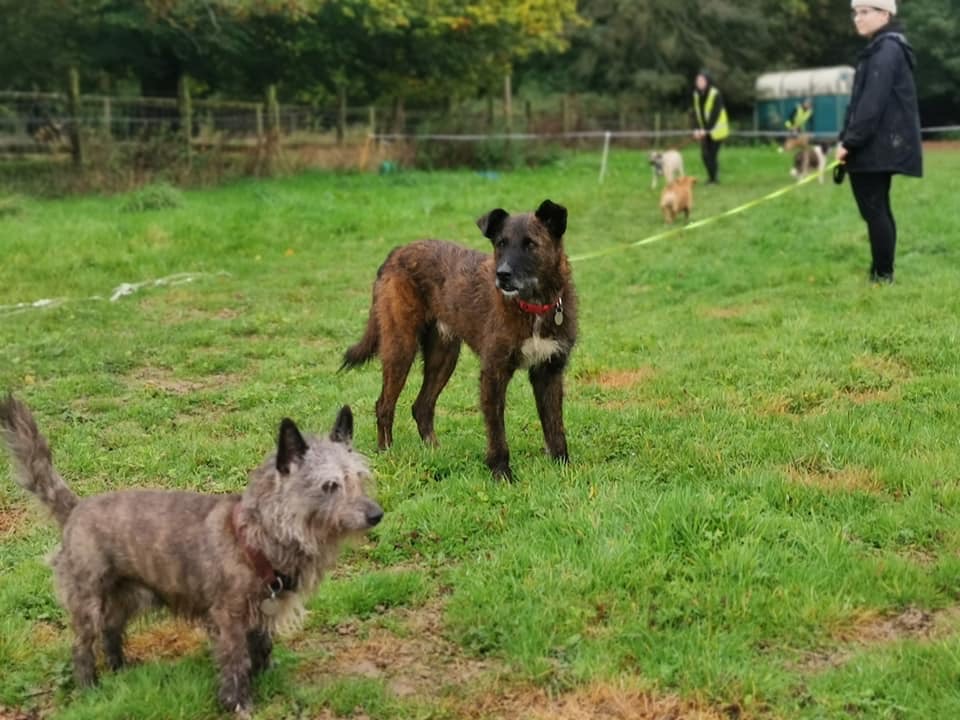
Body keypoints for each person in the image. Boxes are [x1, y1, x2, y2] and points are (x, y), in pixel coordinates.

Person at [837, 0, 922, 284]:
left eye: (864, 12)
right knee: (877, 209)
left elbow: (871, 105)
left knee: (875, 209)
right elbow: (861, 103)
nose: (857, 19)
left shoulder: (886, 50)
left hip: (876, 146)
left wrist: (849, 142)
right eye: (855, 13)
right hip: (877, 143)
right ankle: (880, 270)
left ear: (885, 14)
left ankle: (883, 274)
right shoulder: (881, 48)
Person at [692, 71, 729, 184]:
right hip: (705, 131)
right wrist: (696, 129)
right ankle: (711, 178)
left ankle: (714, 179)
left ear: (707, 81)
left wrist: (706, 130)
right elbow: (696, 113)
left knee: (712, 154)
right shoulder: (696, 95)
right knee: (704, 155)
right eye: (698, 81)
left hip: (717, 131)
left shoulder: (715, 94)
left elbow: (715, 113)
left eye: (702, 81)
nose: (700, 83)